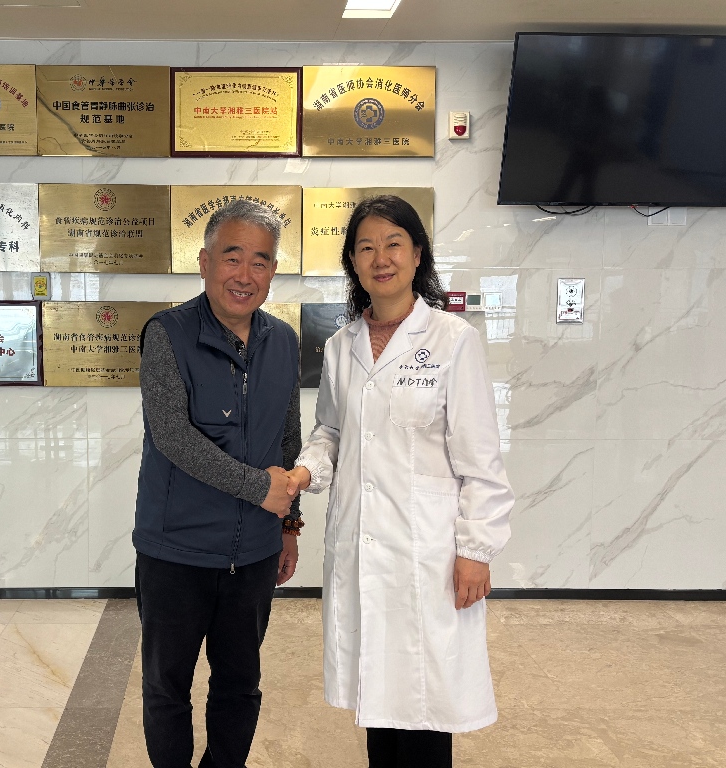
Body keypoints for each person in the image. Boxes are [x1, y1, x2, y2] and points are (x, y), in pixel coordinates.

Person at [285, 196, 513, 768]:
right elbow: (331, 431)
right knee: (378, 696)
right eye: (366, 247)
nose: (380, 258)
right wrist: (306, 471)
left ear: (417, 254)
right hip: (361, 546)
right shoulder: (341, 346)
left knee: (426, 702)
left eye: (393, 244)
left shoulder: (452, 339)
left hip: (428, 553)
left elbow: (481, 460)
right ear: (353, 262)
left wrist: (476, 550)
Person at [134, 198, 303, 768]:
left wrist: (288, 525)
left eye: (260, 261)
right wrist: (259, 489)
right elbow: (172, 438)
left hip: (253, 554)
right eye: (232, 258)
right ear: (204, 263)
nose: (245, 275)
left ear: (273, 272)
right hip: (175, 551)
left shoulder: (282, 341)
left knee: (239, 684)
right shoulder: (167, 334)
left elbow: (287, 437)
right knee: (167, 688)